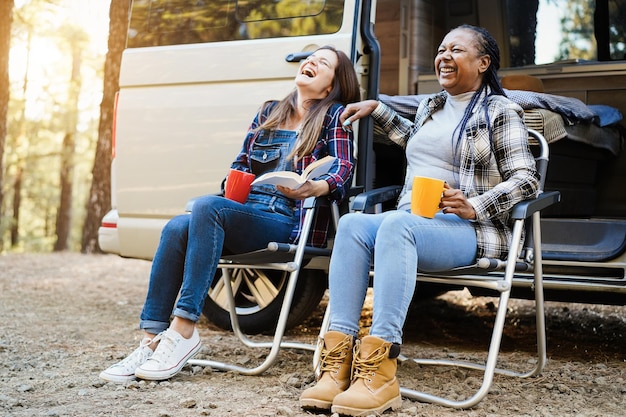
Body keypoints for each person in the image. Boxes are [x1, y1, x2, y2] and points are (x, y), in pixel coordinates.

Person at [299, 25, 539, 416]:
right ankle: (336, 362)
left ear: (482, 63)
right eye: (441, 48)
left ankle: (381, 369)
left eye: (456, 50)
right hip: (416, 222)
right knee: (354, 225)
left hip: (471, 230)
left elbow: (527, 178)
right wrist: (377, 108)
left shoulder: (501, 110)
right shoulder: (433, 105)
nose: (444, 55)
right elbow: (417, 141)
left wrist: (475, 205)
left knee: (395, 224)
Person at [100, 45, 361, 383]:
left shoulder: (333, 117)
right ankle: (151, 340)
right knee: (178, 225)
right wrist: (235, 182)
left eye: (322, 63)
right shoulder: (269, 111)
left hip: (287, 220)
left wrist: (316, 187)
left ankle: (184, 330)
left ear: (330, 86)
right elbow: (240, 164)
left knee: (207, 206)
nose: (310, 62)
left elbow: (343, 168)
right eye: (309, 58)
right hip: (246, 211)